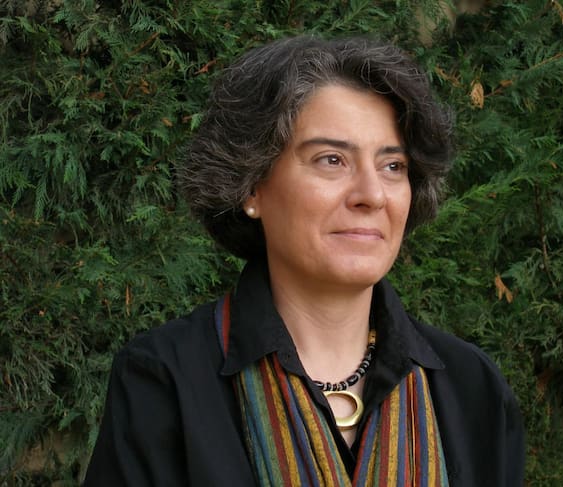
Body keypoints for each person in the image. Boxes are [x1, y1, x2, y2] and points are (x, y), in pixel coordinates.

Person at [84, 35, 525, 486]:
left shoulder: (471, 387)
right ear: (251, 186)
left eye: (392, 166)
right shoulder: (165, 382)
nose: (372, 195)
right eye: (332, 160)